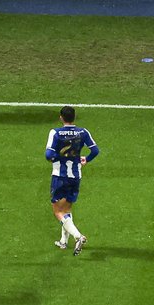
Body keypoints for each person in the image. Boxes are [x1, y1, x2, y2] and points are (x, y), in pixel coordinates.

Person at [45, 105, 100, 255]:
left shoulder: (55, 132)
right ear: (74, 117)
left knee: (58, 211)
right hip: (75, 175)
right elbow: (95, 150)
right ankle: (63, 241)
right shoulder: (83, 132)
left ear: (61, 117)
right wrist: (86, 160)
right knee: (67, 209)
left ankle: (78, 236)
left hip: (60, 176)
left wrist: (59, 158)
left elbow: (48, 155)